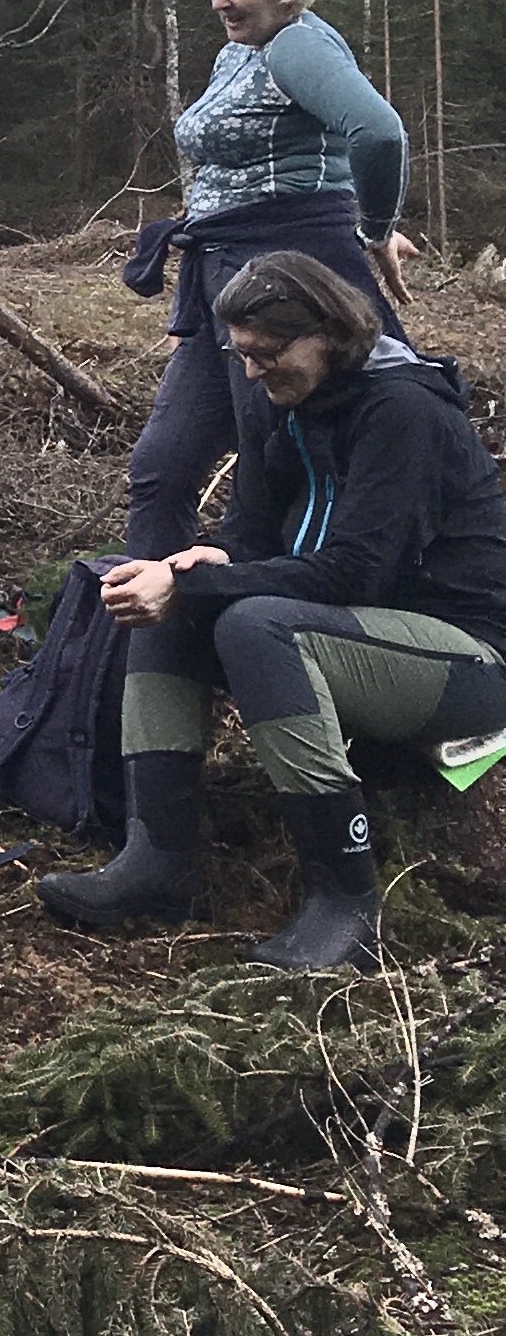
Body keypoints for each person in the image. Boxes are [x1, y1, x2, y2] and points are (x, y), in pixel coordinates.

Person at [41, 252, 506, 972]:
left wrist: (201, 586)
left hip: (466, 659)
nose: (254, 371)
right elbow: (251, 536)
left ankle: (346, 900)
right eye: (243, 354)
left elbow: (355, 571)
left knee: (252, 623)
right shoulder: (276, 403)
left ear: (331, 334)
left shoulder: (404, 410)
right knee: (174, 601)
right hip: (348, 630)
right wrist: (206, 561)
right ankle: (155, 856)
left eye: (270, 351)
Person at [121, 0, 416, 564]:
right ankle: (147, 616)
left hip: (281, 279)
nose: (220, 0)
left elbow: (378, 132)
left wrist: (374, 230)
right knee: (162, 466)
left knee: (275, 467)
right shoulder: (239, 51)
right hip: (224, 278)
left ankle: (267, 605)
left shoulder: (296, 45)